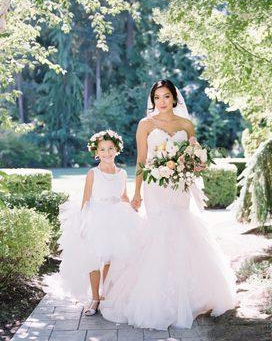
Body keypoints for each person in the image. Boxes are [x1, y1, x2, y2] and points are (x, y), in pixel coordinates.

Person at [100, 80, 237, 330]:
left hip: (179, 186)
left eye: (166, 96)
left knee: (183, 228)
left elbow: (195, 157)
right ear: (153, 100)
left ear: (174, 98)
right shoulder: (146, 125)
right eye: (157, 97)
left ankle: (191, 295)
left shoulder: (186, 124)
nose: (161, 102)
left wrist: (196, 164)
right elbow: (141, 161)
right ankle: (158, 296)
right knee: (160, 231)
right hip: (156, 188)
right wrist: (137, 193)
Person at [56, 130, 141, 316]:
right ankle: (94, 298)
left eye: (110, 148)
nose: (107, 153)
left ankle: (105, 294)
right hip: (96, 217)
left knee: (111, 257)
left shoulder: (122, 173)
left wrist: (132, 208)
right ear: (96, 152)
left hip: (117, 217)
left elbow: (123, 195)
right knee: (93, 258)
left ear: (117, 149)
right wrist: (82, 222)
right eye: (102, 149)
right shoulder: (93, 173)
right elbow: (86, 200)